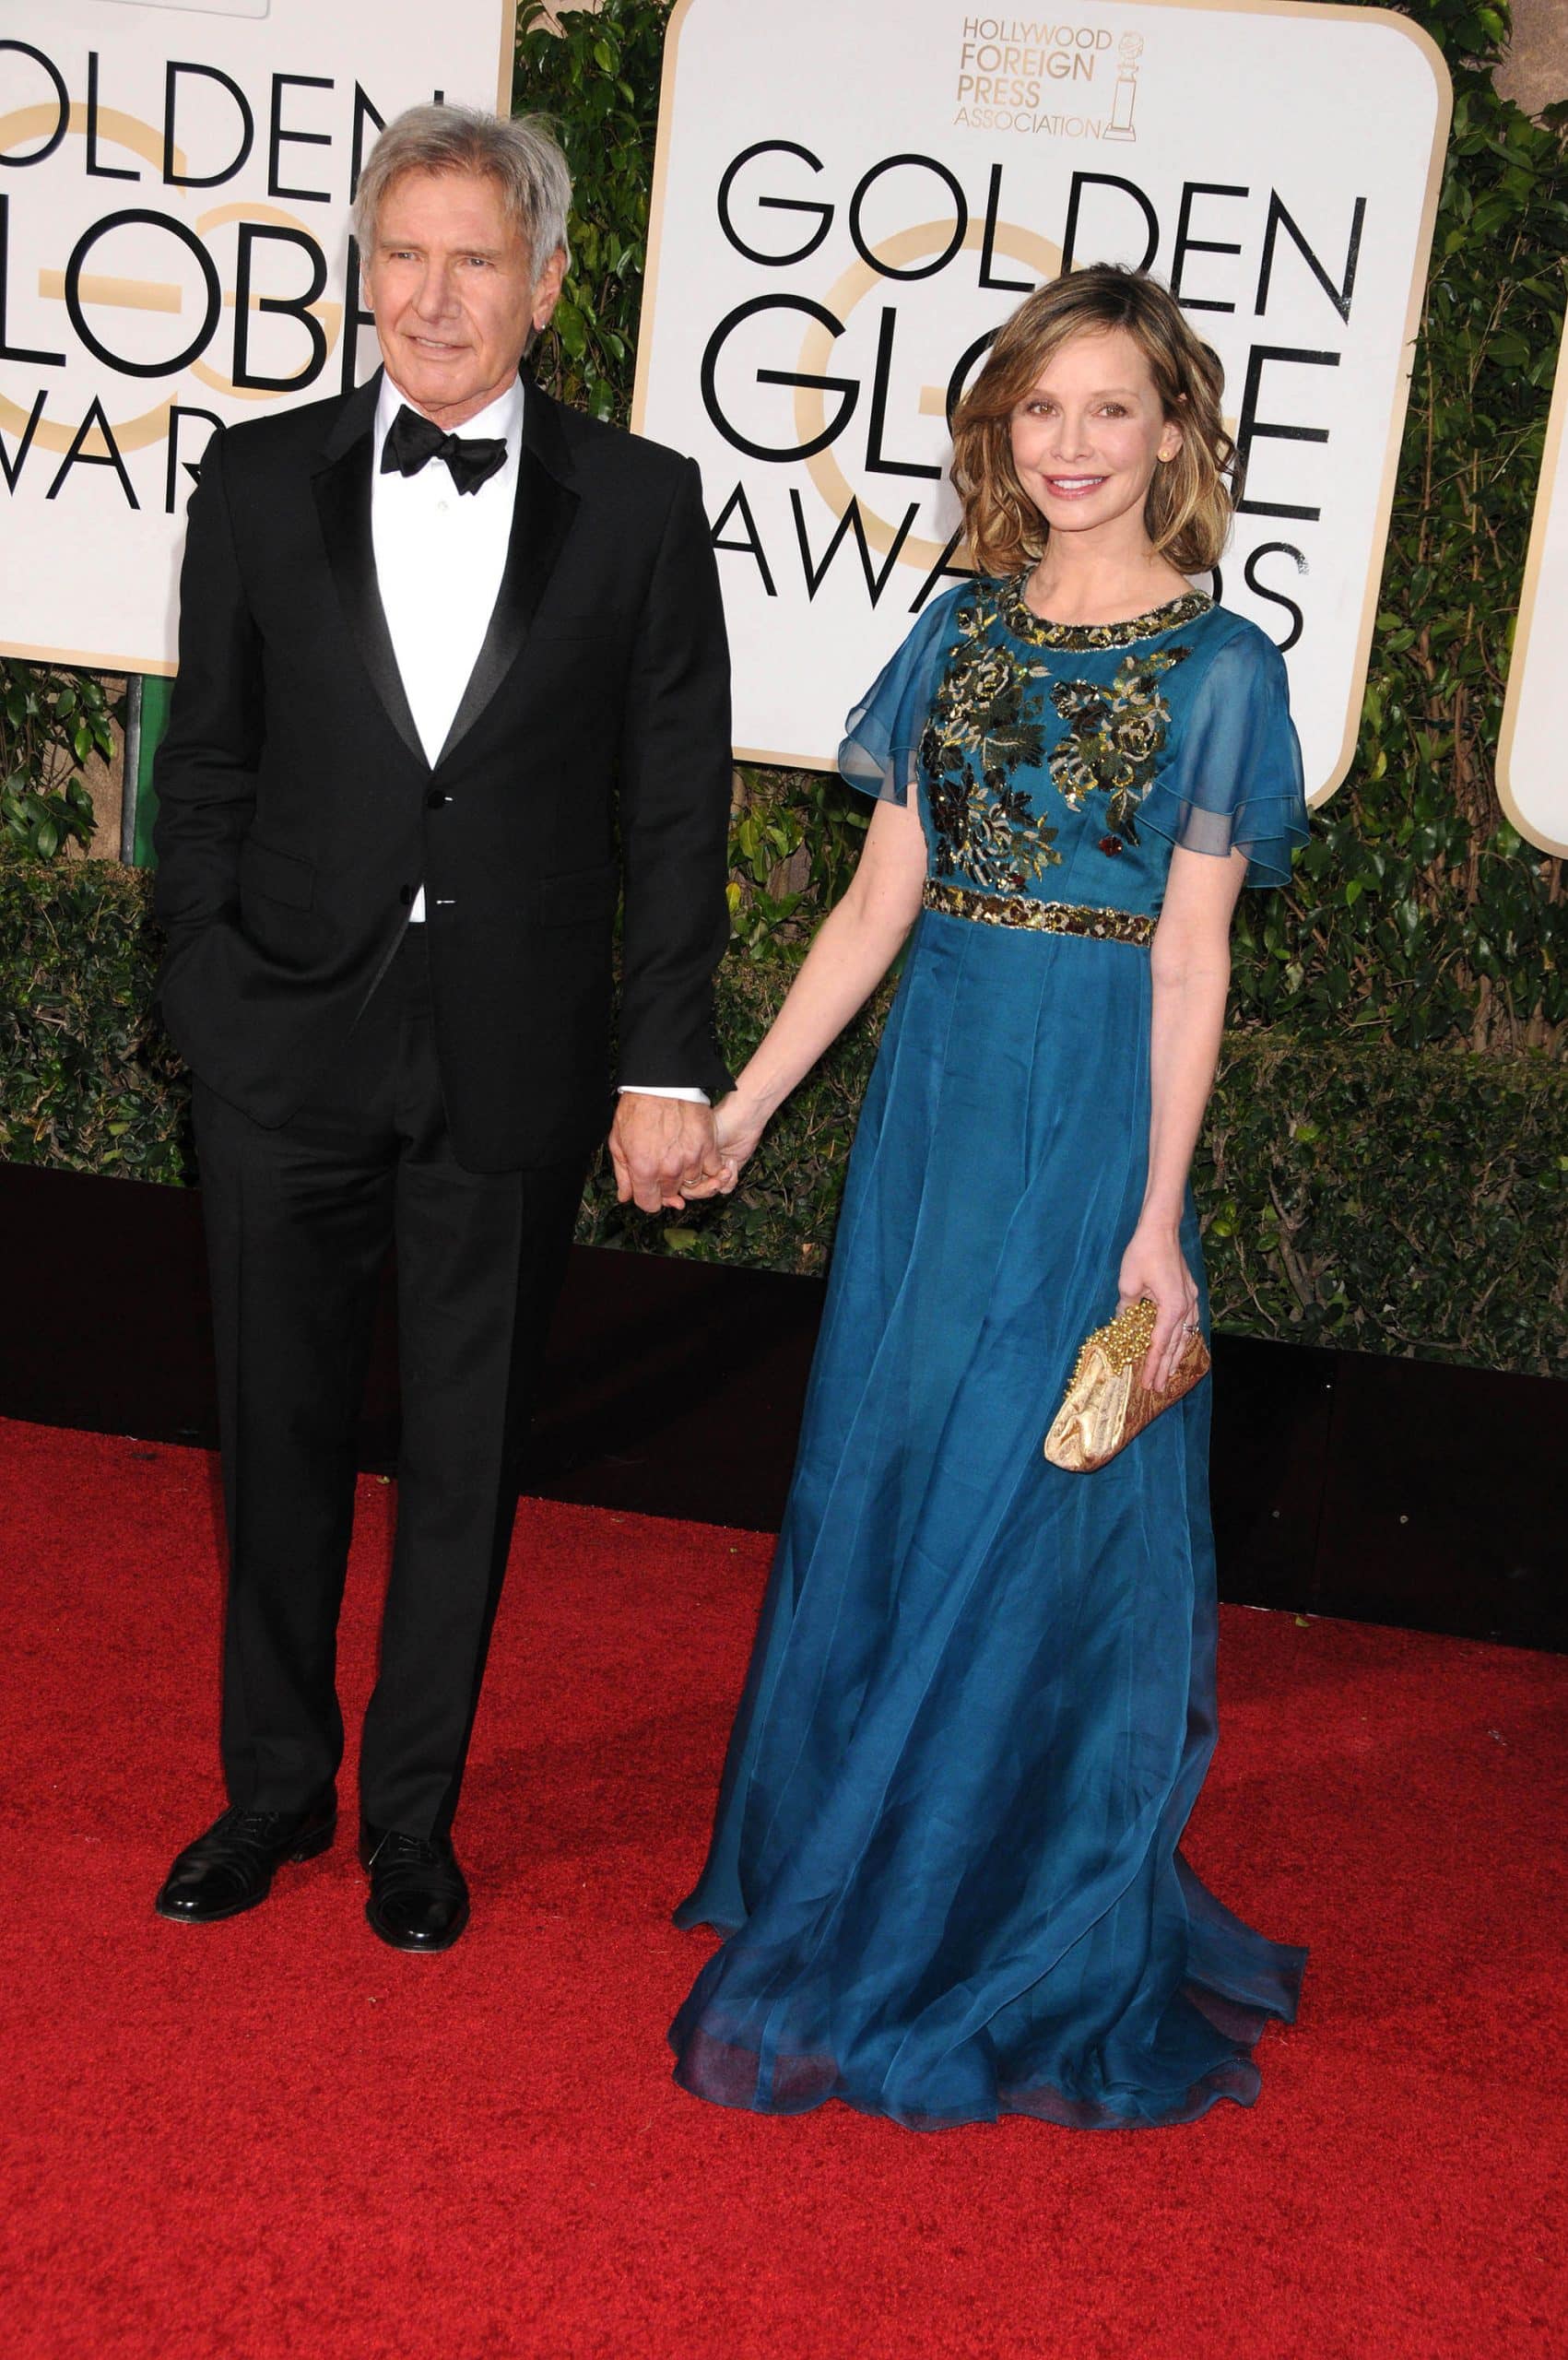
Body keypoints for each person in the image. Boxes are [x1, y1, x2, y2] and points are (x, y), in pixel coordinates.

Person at [670, 266, 1309, 2129]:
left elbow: (1189, 961)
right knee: (880, 1457)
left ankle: (989, 1881)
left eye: (1112, 409)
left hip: (1087, 1114)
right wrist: (745, 1107)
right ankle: (843, 1844)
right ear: (998, 435)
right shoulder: (953, 637)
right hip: (936, 1106)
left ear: (1175, 431)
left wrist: (1156, 1218)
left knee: (1027, 1497)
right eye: (1041, 410)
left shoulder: (1220, 669)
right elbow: (876, 902)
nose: (1075, 445)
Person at [151, 106, 733, 1953]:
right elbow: (212, 761)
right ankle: (266, 1789)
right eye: (402, 253)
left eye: (474, 257)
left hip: (510, 1050)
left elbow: (674, 806)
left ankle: (414, 1816)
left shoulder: (636, 505)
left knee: (464, 1451)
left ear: (545, 285)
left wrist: (662, 1058)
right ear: (362, 269)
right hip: (282, 1042)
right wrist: (202, 986)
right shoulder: (253, 482)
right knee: (276, 1425)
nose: (433, 295)